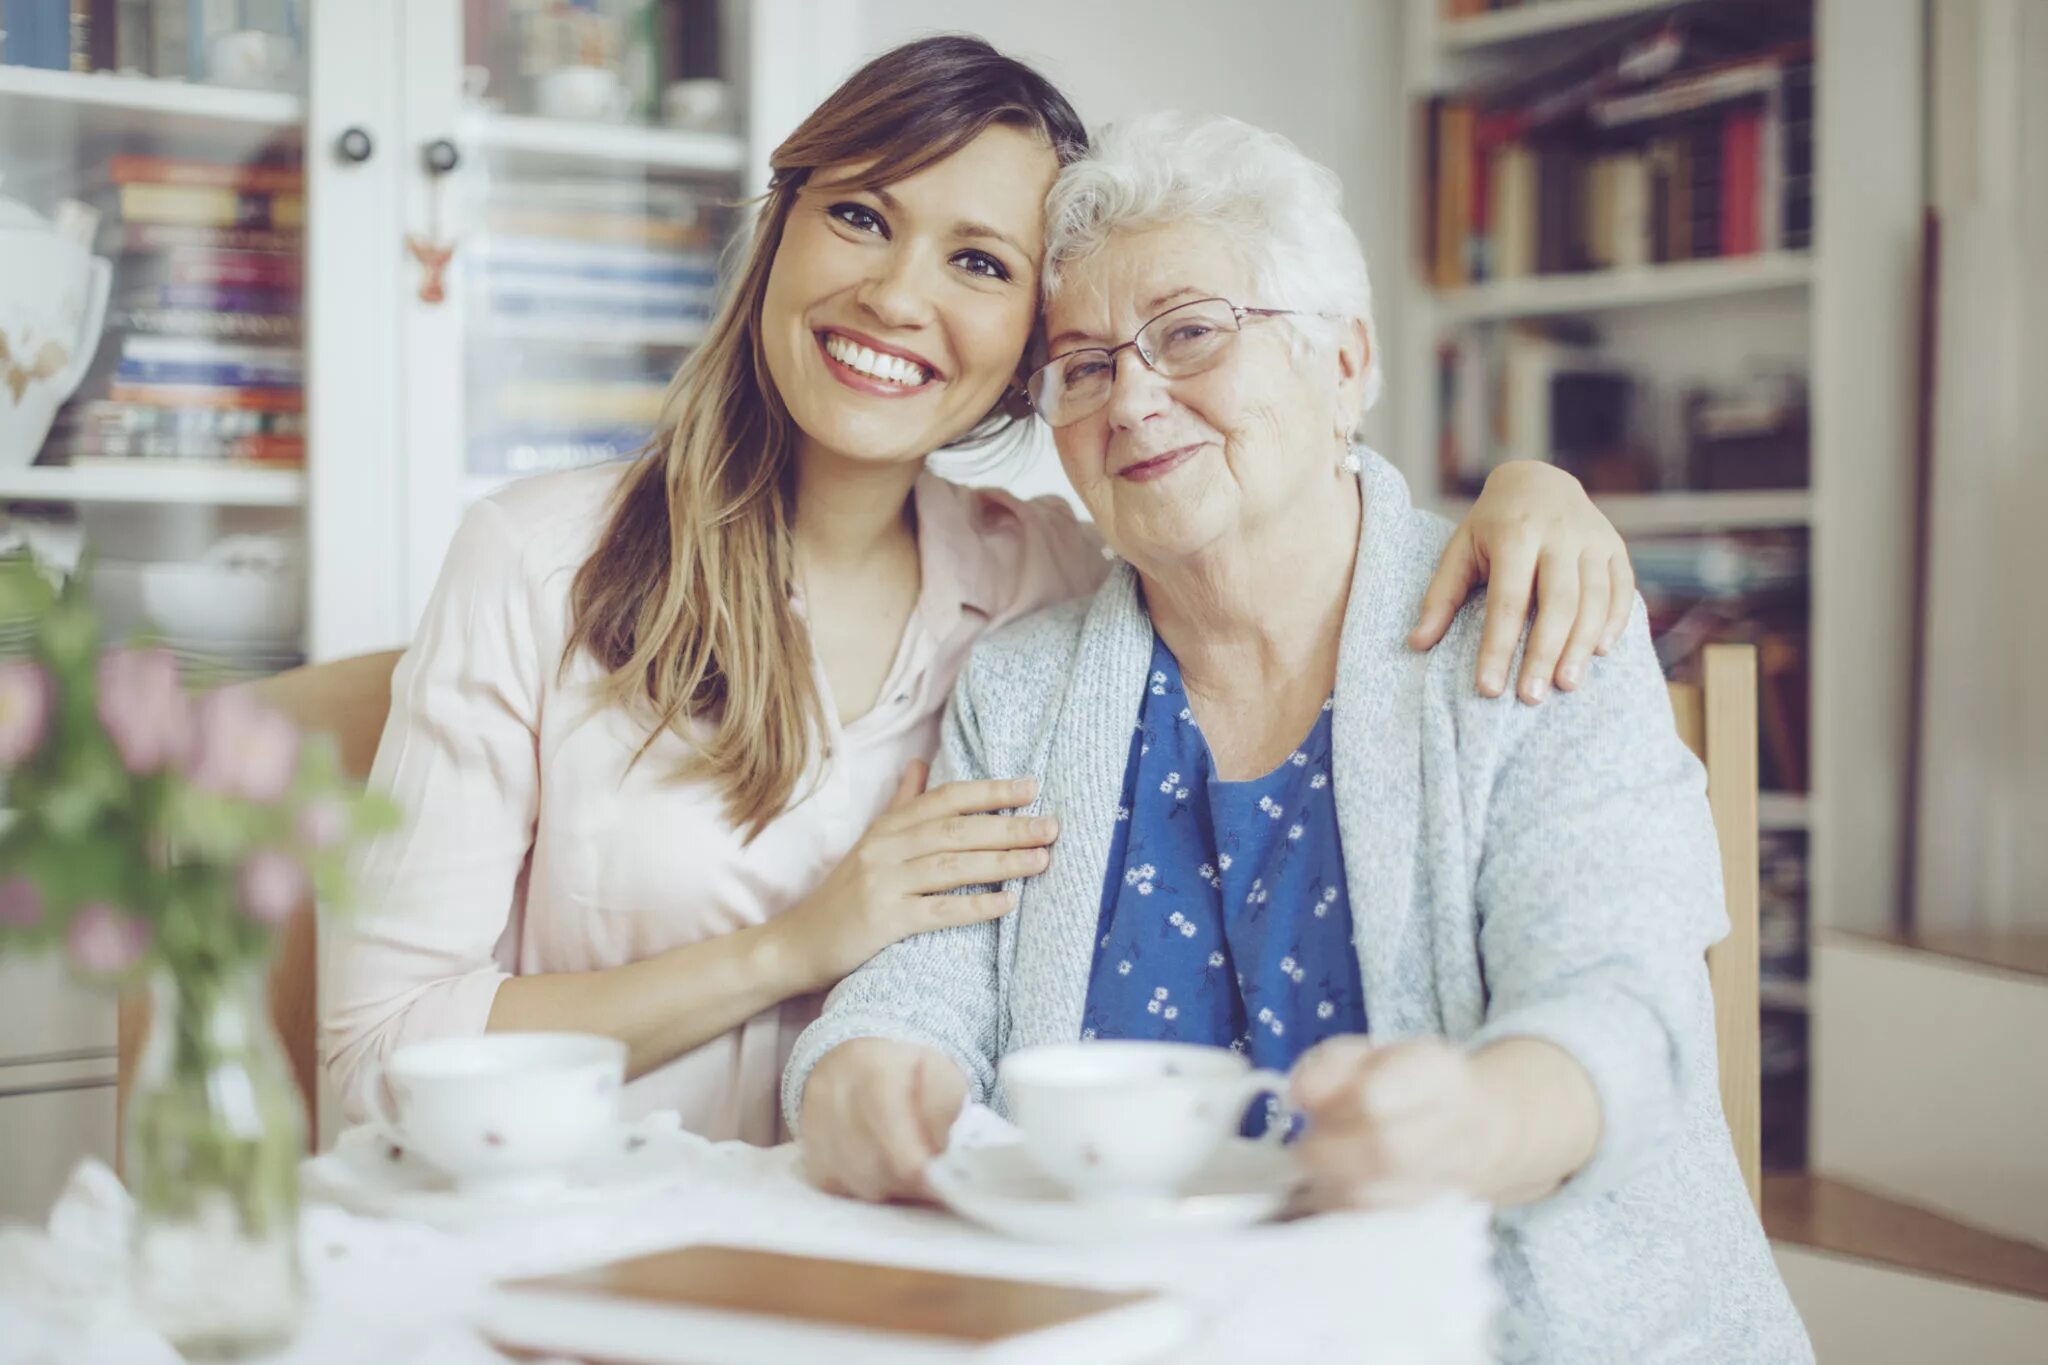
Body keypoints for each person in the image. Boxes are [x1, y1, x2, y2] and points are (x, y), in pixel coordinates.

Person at [322, 38, 1634, 1148]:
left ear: (1027, 353)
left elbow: (1269, 510)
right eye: (861, 216)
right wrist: (797, 944)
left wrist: (1534, 489)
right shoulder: (535, 561)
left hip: (903, 1270)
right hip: (587, 1235)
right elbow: (372, 1057)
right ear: (780, 226)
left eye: (982, 263)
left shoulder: (1058, 589)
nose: (895, 295)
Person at [786, 112, 1811, 1362]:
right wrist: (856, 1076)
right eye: (1087, 365)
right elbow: (920, 990)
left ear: (1342, 364)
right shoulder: (1023, 684)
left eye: (1192, 333)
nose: (1134, 399)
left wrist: (1474, 1122)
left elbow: (1620, 1011)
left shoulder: (1530, 615)